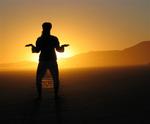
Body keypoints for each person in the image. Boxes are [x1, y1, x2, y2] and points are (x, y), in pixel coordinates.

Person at [25, 22, 69, 99]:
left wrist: (32, 46)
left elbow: (36, 50)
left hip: (44, 61)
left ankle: (41, 96)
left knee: (40, 78)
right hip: (50, 61)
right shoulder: (53, 38)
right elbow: (58, 49)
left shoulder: (41, 39)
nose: (47, 29)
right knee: (54, 78)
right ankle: (54, 95)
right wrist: (62, 47)